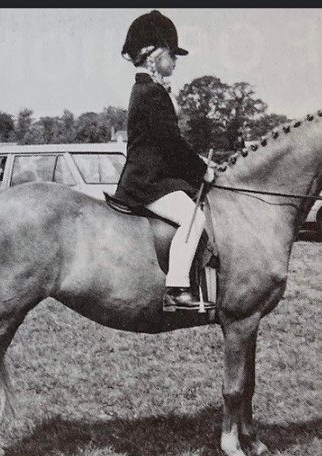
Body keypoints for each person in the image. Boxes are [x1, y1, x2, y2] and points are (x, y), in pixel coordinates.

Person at [113, 10, 216, 313]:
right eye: (171, 54)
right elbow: (171, 145)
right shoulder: (152, 93)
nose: (175, 60)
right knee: (194, 218)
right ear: (155, 56)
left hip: (152, 178)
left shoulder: (145, 89)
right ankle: (177, 288)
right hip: (147, 183)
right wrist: (203, 171)